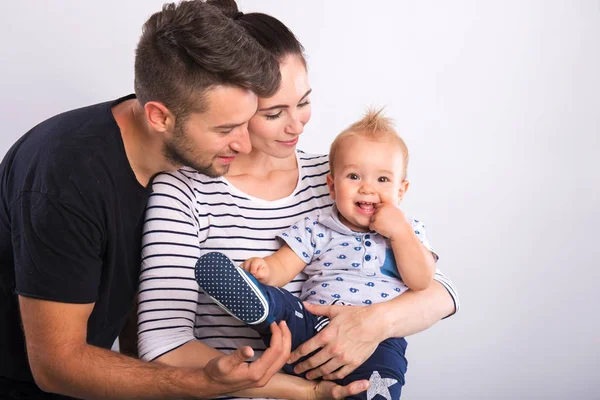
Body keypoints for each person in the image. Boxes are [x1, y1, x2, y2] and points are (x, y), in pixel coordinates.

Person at [137, 1, 460, 399]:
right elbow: (163, 345)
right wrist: (305, 392)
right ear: (236, 106)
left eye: (304, 102)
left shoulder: (345, 177)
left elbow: (438, 291)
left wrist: (374, 324)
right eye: (274, 113)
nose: (297, 125)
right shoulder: (184, 191)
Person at [0, 1, 303, 399]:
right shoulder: (67, 180)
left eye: (247, 122)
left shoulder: (177, 134)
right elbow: (57, 365)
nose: (244, 144)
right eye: (227, 129)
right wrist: (200, 384)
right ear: (160, 117)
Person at [195, 109, 436, 399]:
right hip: (311, 323)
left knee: (375, 388)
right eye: (354, 176)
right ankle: (257, 301)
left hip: (379, 342)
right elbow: (286, 263)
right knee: (283, 305)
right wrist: (265, 270)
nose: (368, 187)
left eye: (383, 180)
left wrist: (399, 233)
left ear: (401, 190)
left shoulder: (410, 231)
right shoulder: (319, 226)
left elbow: (422, 280)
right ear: (332, 186)